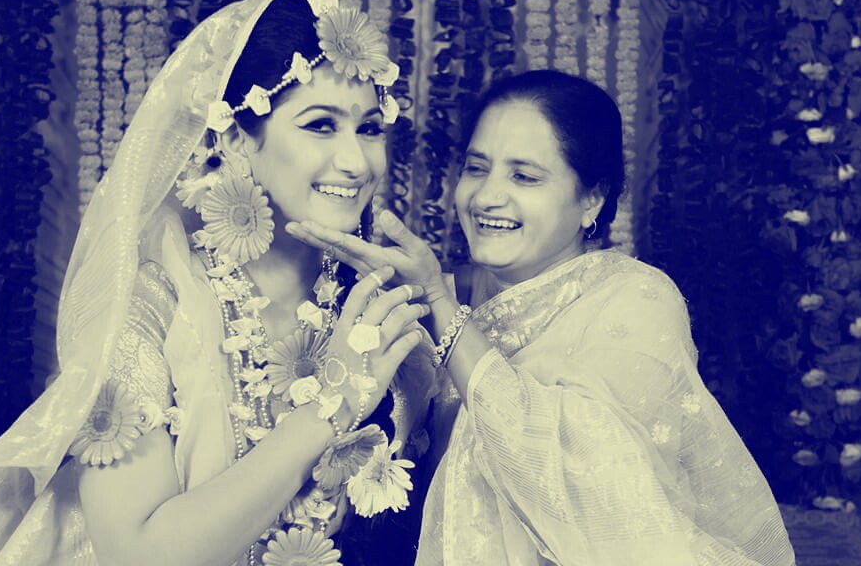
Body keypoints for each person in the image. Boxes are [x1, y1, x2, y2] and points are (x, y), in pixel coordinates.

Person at [0, 0, 437, 565]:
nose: (356, 162)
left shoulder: (377, 302)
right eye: (320, 125)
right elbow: (138, 556)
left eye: (369, 128)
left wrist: (436, 305)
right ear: (235, 139)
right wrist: (327, 410)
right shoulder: (149, 309)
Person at [287, 69, 796, 565]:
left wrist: (442, 308)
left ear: (591, 198)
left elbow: (588, 491)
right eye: (476, 168)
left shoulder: (635, 298)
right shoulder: (423, 296)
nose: (487, 197)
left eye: (524, 176)